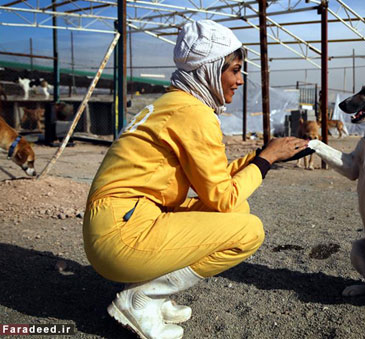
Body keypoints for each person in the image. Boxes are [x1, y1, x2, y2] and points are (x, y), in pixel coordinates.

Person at [83, 20, 309, 339]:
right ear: (210, 70)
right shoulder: (194, 114)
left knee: (237, 214)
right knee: (249, 230)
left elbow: (215, 184)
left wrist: (267, 154)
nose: (240, 80)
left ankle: (149, 290)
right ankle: (142, 298)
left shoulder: (174, 104)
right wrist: (267, 158)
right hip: (121, 235)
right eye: (234, 70)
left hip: (122, 220)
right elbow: (223, 196)